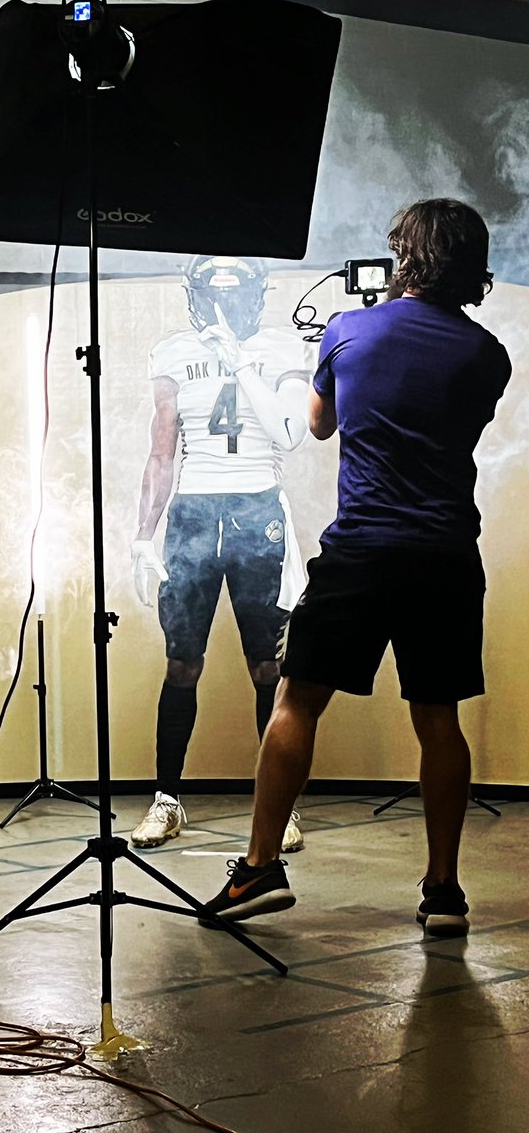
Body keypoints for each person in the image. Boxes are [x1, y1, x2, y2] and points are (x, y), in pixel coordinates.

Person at [201, 199, 511, 938]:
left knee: (297, 701)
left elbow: (320, 423)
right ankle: (444, 891)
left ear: (405, 256)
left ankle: (259, 869)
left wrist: (352, 342)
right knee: (439, 719)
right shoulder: (487, 354)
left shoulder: (348, 329)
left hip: (361, 551)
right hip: (444, 554)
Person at [130, 256, 311, 851]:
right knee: (182, 664)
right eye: (214, 291)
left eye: (235, 291)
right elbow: (162, 452)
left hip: (259, 506)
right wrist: (143, 534)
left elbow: (289, 432)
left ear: (255, 294)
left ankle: (279, 805)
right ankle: (166, 800)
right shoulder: (175, 351)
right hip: (194, 512)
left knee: (268, 667)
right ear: (196, 295)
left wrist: (240, 359)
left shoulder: (282, 347)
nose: (224, 302)